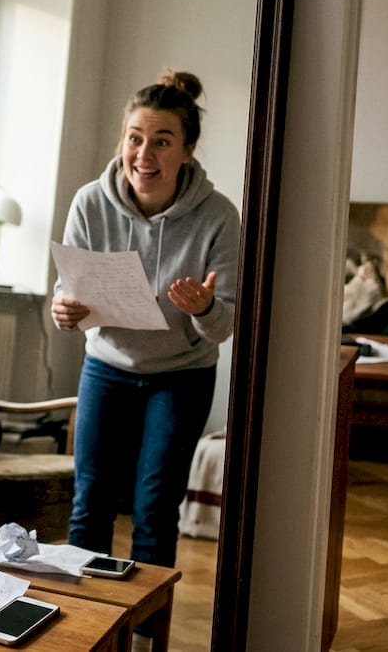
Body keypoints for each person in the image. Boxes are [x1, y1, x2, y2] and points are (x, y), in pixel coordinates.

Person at [52, 69, 238, 571]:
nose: (144, 155)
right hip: (106, 367)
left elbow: (224, 328)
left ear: (187, 151)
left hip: (181, 376)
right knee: (90, 502)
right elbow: (69, 290)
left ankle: (146, 619)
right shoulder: (90, 202)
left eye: (162, 141)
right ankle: (88, 616)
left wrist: (204, 308)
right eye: (135, 138)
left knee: (155, 509)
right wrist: (63, 308)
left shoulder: (219, 216)